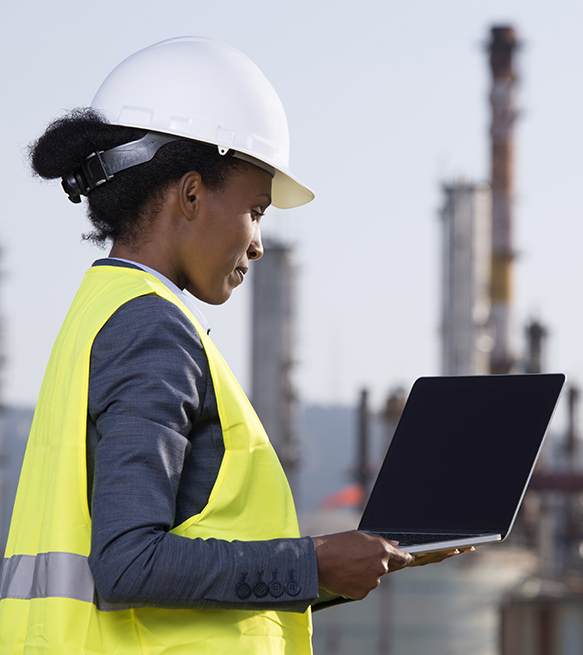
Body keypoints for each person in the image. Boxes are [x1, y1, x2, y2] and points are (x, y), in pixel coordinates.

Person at [0, 37, 465, 655]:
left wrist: (336, 569)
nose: (258, 244)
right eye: (256, 209)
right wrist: (315, 563)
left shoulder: (104, 311)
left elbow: (162, 563)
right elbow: (129, 563)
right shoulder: (151, 330)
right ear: (191, 195)